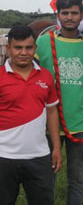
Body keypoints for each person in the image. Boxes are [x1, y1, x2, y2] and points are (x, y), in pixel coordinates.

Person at [36, 0, 83, 205]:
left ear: (82, 15)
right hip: (48, 123)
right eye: (65, 13)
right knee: (47, 178)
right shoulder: (43, 43)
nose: (69, 17)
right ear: (57, 15)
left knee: (76, 181)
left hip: (80, 121)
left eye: (74, 13)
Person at [0, 25, 62, 205]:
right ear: (8, 49)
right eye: (18, 47)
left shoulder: (46, 76)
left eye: (28, 47)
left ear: (35, 49)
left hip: (39, 156)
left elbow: (52, 111)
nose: (23, 52)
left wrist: (56, 148)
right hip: (3, 157)